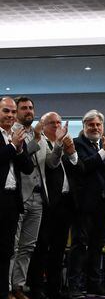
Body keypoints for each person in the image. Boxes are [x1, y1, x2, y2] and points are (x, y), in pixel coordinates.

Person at [11, 97, 65, 299]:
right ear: (16, 112)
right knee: (13, 247)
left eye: (31, 108)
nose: (28, 111)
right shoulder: (13, 133)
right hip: (19, 196)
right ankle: (8, 287)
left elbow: (50, 164)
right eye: (23, 108)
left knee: (28, 246)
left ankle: (19, 286)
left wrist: (58, 144)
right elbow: (22, 156)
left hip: (39, 198)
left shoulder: (39, 135)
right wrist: (35, 138)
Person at [27, 112, 84, 299]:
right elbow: (51, 165)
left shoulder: (67, 143)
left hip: (67, 204)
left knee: (59, 249)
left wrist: (72, 152)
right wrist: (59, 145)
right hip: (48, 203)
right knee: (42, 248)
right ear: (42, 126)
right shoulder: (41, 144)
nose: (57, 125)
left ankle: (55, 288)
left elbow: (79, 170)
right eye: (52, 123)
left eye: (59, 122)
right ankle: (37, 287)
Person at [67, 109, 105, 298]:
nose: (95, 127)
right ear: (84, 126)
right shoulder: (76, 143)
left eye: (98, 124)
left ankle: (93, 284)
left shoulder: (102, 145)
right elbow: (84, 167)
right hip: (84, 203)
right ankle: (74, 285)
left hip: (103, 203)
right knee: (80, 245)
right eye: (91, 124)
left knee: (97, 246)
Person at [0, 97, 34, 299]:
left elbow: (28, 168)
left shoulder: (15, 135)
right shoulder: (9, 138)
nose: (11, 116)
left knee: (6, 251)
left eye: (13, 112)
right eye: (6, 111)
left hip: (12, 201)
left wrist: (19, 149)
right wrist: (13, 146)